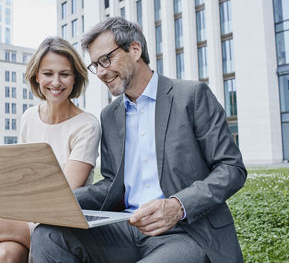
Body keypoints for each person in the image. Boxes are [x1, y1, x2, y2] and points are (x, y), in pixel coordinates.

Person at [31, 17, 247, 263]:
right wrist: (55, 200)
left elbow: (231, 168)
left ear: (135, 49)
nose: (101, 72)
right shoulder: (110, 116)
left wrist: (177, 205)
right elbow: (111, 184)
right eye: (95, 65)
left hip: (186, 232)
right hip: (126, 227)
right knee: (47, 235)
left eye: (106, 60)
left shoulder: (191, 96)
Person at [0, 37, 101, 263]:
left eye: (64, 74)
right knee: (5, 254)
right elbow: (22, 178)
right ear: (36, 76)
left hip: (59, 225)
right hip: (26, 216)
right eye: (48, 73)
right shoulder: (29, 117)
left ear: (75, 77)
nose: (56, 82)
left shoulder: (86, 125)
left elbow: (64, 195)